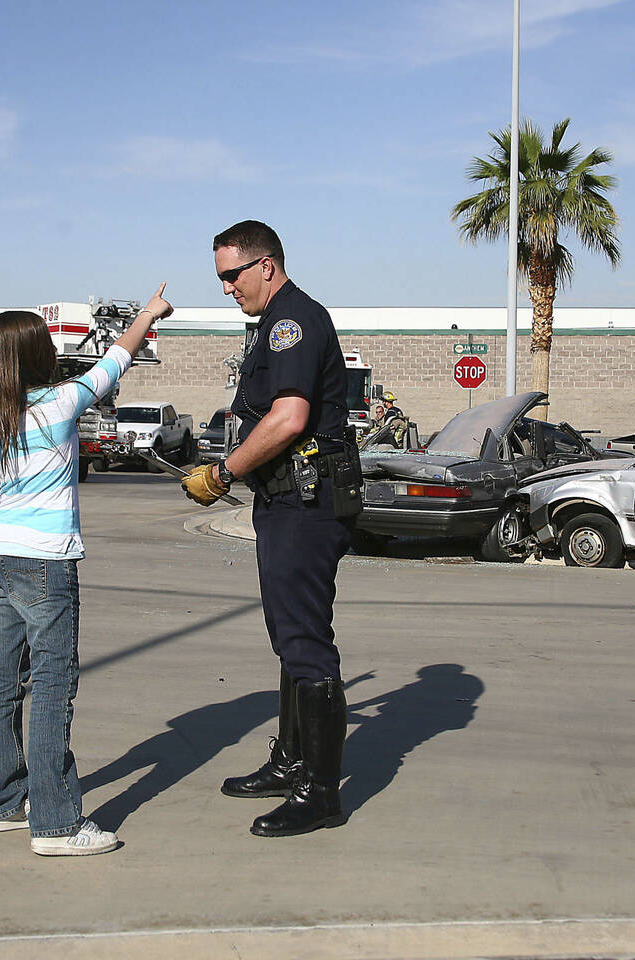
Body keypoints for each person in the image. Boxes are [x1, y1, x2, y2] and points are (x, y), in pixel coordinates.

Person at [0, 283, 172, 857]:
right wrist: (149, 315)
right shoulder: (58, 405)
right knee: (54, 684)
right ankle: (56, 823)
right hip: (46, 563)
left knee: (2, 683)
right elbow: (114, 364)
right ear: (38, 356)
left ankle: (3, 804)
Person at [182, 221, 361, 838]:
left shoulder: (293, 322)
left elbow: (289, 419)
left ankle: (319, 795)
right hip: (286, 499)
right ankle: (291, 762)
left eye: (232, 275)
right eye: (221, 278)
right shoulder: (272, 326)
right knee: (290, 637)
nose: (227, 288)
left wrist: (223, 474)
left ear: (266, 265)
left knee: (305, 642)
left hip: (306, 504)